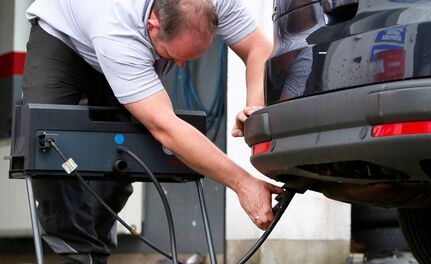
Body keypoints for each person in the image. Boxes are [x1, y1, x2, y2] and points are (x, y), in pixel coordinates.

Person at [22, 0, 281, 263]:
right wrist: (242, 183)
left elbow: (259, 48)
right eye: (172, 56)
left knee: (123, 161)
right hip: (63, 35)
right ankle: (79, 255)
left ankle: (96, 247)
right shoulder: (117, 29)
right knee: (45, 146)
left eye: (190, 57)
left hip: (120, 42)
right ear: (152, 25)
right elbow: (165, 128)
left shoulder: (218, 3)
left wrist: (255, 108)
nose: (180, 65)